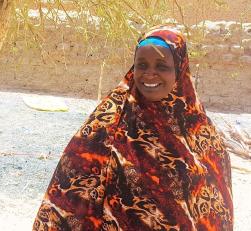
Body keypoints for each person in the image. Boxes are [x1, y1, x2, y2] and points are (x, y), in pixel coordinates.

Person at [33, 25, 233, 231]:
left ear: (180, 69)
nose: (150, 74)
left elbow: (216, 209)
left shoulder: (202, 135)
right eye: (142, 65)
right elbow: (66, 199)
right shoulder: (104, 126)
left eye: (162, 66)